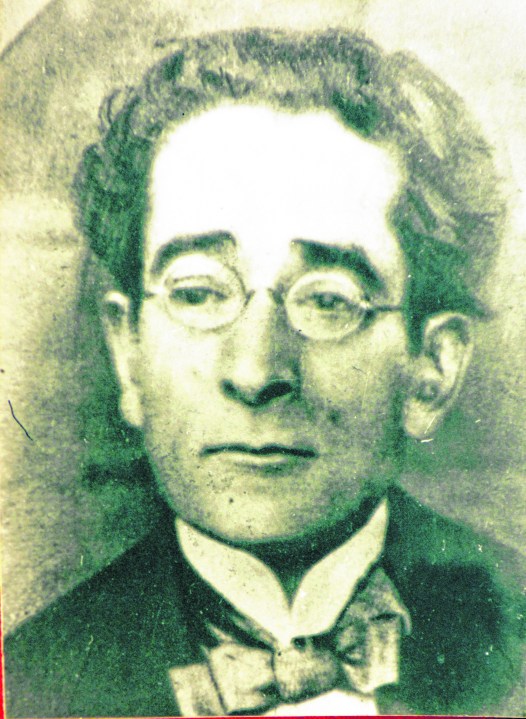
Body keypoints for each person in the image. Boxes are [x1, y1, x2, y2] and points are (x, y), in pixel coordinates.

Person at [4, 28, 524, 717]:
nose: (255, 371)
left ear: (432, 368)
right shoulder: (29, 680)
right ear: (128, 353)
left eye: (329, 301)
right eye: (197, 293)